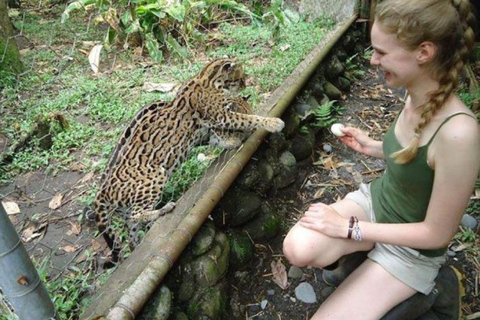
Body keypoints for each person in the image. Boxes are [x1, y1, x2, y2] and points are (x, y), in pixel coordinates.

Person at [282, 0, 480, 319]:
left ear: (424, 52)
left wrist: (351, 229)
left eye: (382, 53)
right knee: (298, 248)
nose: (373, 60)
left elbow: (436, 234)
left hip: (412, 251)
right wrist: (373, 146)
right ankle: (365, 262)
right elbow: (418, 157)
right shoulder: (415, 89)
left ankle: (432, 292)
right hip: (378, 205)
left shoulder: (459, 133)